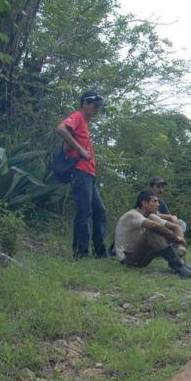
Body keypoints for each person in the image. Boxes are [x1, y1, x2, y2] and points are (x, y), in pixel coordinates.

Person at [55, 91, 107, 259]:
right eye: (95, 105)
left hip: (89, 175)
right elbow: (61, 129)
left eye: (99, 106)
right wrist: (80, 150)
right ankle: (80, 253)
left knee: (99, 212)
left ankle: (100, 252)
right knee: (84, 212)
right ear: (85, 103)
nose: (97, 109)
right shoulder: (77, 116)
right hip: (81, 173)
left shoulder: (84, 122)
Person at [113, 190, 191, 278]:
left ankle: (181, 264)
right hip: (128, 259)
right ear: (144, 203)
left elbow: (176, 227)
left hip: (142, 257)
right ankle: (178, 267)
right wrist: (174, 237)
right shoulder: (132, 215)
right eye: (154, 201)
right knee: (153, 232)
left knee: (161, 231)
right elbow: (154, 226)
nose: (158, 204)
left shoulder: (150, 216)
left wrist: (180, 245)